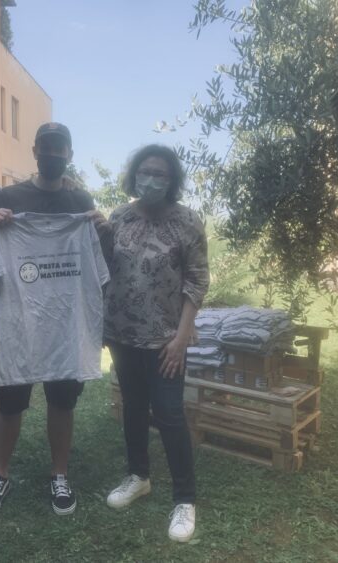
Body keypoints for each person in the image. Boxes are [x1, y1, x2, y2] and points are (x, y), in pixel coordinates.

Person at [0, 122, 111, 516]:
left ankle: (60, 474)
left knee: (63, 401)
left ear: (69, 153)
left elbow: (101, 264)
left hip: (66, 325)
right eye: (46, 147)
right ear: (35, 151)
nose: (52, 154)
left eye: (59, 148)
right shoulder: (11, 197)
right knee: (8, 401)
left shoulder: (80, 200)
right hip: (21, 323)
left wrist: (102, 231)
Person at [102, 144, 209, 542]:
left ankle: (185, 499)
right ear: (135, 176)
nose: (151, 179)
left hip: (166, 340)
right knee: (133, 406)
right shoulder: (120, 217)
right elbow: (105, 268)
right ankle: (139, 476)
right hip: (122, 334)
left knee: (169, 413)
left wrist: (182, 337)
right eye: (145, 172)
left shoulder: (187, 221)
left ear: (171, 180)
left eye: (160, 174)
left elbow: (196, 281)